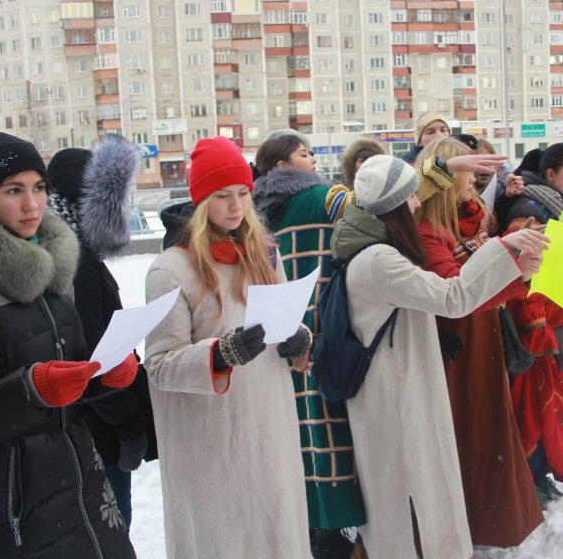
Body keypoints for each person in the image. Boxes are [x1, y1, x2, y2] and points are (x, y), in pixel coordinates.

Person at [0, 132, 136, 558]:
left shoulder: (57, 274)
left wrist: (102, 378)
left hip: (84, 492)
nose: (32, 204)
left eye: (39, 187)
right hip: (7, 510)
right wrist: (31, 390)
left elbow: (64, 387)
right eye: (13, 190)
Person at [331, 154, 549, 559]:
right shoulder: (380, 260)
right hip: (395, 398)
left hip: (397, 390)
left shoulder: (372, 248)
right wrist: (504, 248)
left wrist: (515, 267)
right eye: (412, 197)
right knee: (411, 497)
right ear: (395, 206)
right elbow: (452, 297)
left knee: (413, 495)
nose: (419, 203)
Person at [144, 136, 312, 558]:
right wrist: (220, 355)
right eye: (222, 196)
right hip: (213, 445)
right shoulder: (170, 270)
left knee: (278, 540)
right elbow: (159, 366)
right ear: (201, 201)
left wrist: (299, 339)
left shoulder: (265, 253)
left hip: (271, 433)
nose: (236, 206)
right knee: (227, 543)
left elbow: (284, 323)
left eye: (243, 193)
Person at [414, 137, 545, 548]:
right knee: (465, 439)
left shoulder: (470, 222)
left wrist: (523, 268)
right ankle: (466, 528)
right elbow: (456, 293)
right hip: (455, 350)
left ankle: (483, 524)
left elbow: (480, 281)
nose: (474, 180)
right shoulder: (425, 232)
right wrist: (510, 264)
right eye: (466, 172)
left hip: (480, 341)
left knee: (485, 435)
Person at [252, 131, 365, 558]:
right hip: (327, 332)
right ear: (281, 165)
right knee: (334, 435)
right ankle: (337, 533)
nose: (313, 159)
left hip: (272, 340)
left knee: (294, 437)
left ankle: (308, 532)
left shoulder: (251, 216)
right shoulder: (325, 197)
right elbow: (375, 210)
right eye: (305, 153)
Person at [46, 137, 157, 529]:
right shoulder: (74, 260)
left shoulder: (72, 249)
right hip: (95, 431)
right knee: (106, 531)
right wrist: (129, 427)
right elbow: (92, 356)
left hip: (91, 427)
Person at [502, 144, 563, 506]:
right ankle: (530, 478)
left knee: (553, 407)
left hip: (558, 319)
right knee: (537, 407)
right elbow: (520, 272)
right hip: (539, 326)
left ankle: (539, 475)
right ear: (551, 175)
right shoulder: (530, 211)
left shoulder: (560, 208)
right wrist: (535, 321)